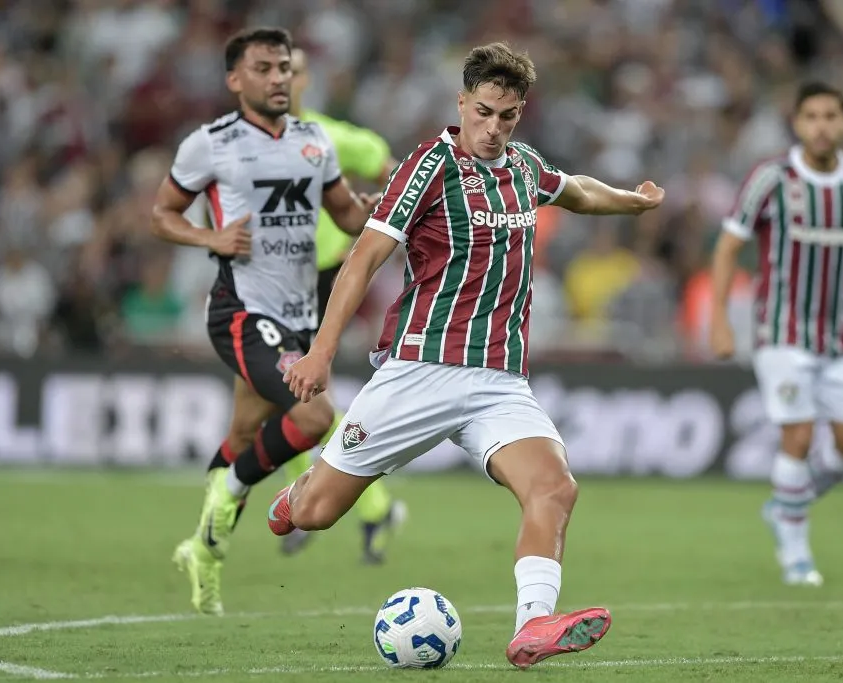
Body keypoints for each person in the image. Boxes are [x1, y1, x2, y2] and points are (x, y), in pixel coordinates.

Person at [268, 42, 665, 669]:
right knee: (316, 514)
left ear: (520, 114)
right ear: (462, 102)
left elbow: (578, 192)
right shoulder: (427, 167)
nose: (493, 127)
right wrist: (320, 353)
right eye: (483, 112)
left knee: (555, 488)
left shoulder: (524, 166)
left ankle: (533, 626)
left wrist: (631, 199)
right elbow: (364, 258)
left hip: (500, 380)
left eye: (507, 116)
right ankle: (300, 492)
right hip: (419, 371)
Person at [150, 27, 379, 616]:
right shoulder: (210, 145)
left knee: (247, 435)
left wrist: (387, 208)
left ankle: (203, 550)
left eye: (284, 67)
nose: (279, 78)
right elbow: (162, 214)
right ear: (235, 79)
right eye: (264, 68)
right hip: (242, 311)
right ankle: (228, 496)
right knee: (314, 412)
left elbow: (348, 215)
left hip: (300, 317)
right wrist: (212, 236)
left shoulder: (314, 141)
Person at [709, 82, 843, 587]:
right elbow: (729, 246)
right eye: (811, 116)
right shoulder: (770, 178)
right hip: (780, 332)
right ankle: (796, 555)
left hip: (839, 336)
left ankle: (786, 505)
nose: (821, 125)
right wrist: (719, 318)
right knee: (797, 434)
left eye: (830, 116)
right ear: (797, 123)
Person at [277, 47, 406, 561]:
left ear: (307, 82)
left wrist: (372, 232)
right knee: (284, 399)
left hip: (319, 279)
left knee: (293, 394)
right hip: (267, 284)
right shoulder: (240, 143)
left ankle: (358, 505)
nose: (282, 81)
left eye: (292, 71)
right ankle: (357, 506)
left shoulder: (332, 138)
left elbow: (395, 175)